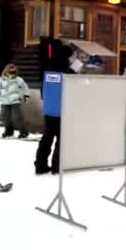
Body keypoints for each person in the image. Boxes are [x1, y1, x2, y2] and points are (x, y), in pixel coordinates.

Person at [34, 45, 76, 175]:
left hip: (49, 109)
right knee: (61, 139)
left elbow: (43, 91)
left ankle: (40, 165)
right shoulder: (67, 70)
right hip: (62, 109)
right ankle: (57, 166)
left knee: (47, 137)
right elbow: (74, 86)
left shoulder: (48, 68)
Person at [0, 64, 30, 138]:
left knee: (17, 117)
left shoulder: (18, 79)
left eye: (14, 72)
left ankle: (23, 132)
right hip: (4, 101)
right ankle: (9, 131)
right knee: (5, 117)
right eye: (11, 71)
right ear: (6, 71)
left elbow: (25, 87)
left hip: (15, 101)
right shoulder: (1, 80)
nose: (12, 73)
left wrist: (26, 95)